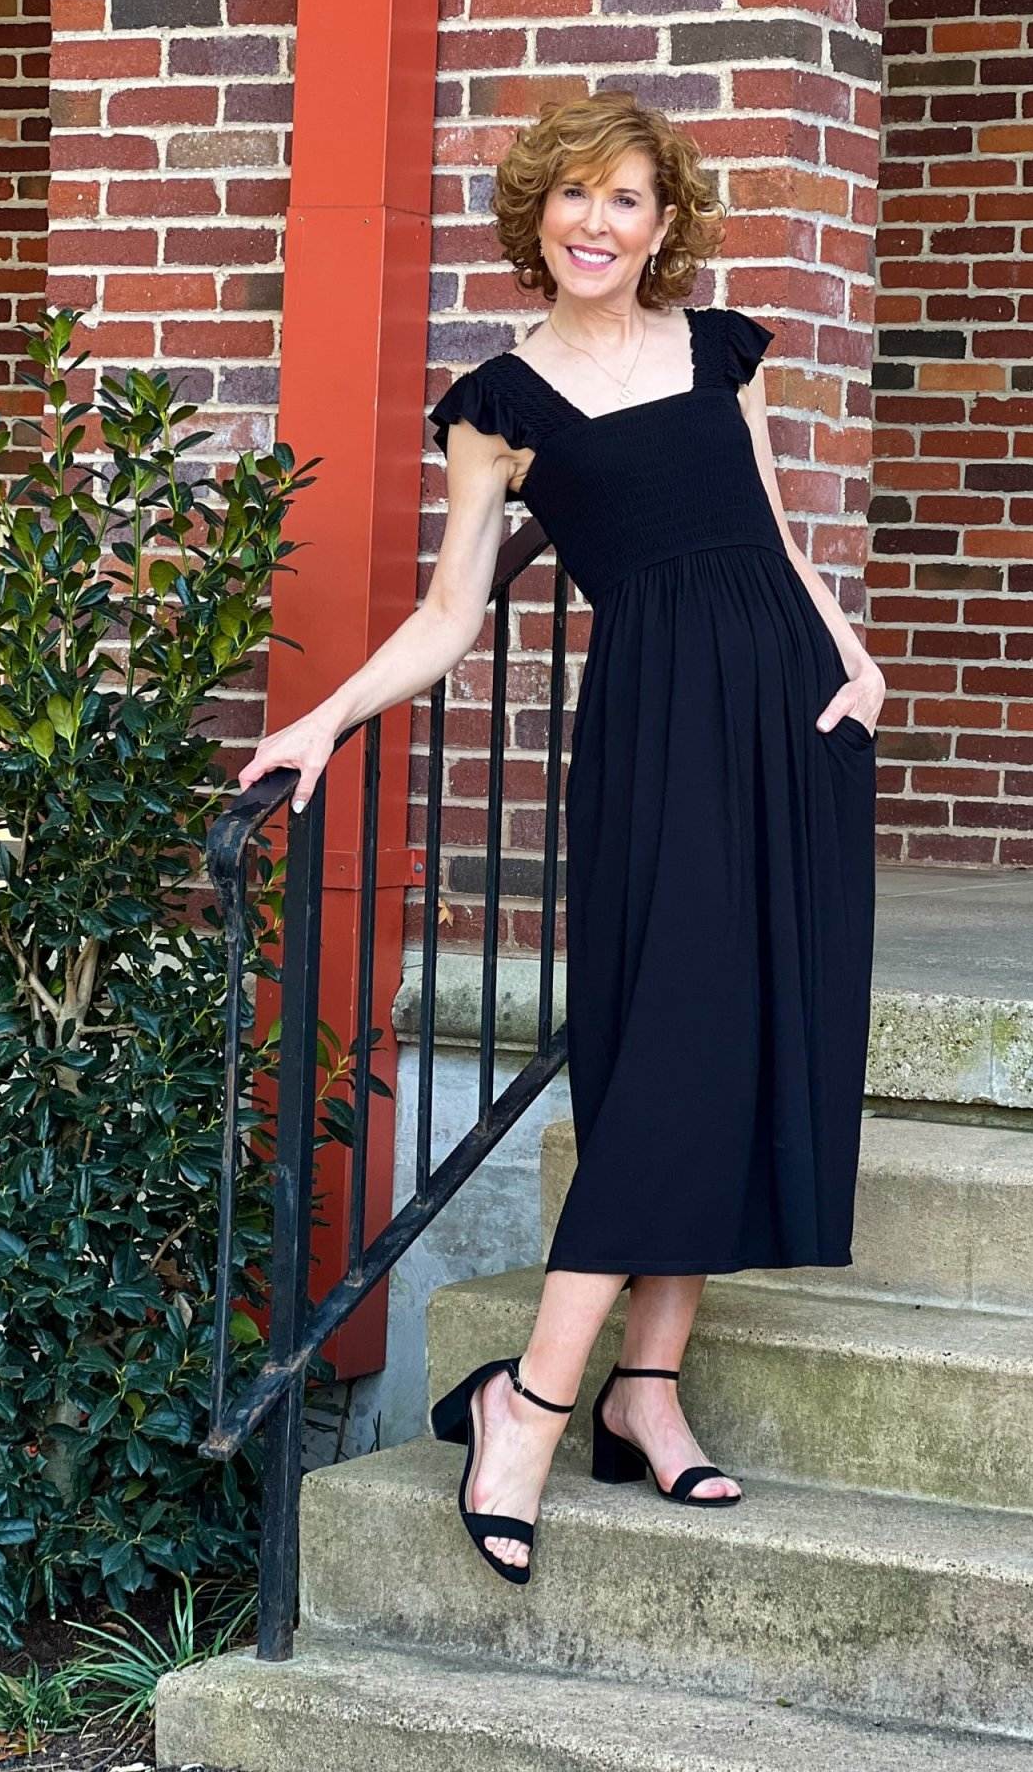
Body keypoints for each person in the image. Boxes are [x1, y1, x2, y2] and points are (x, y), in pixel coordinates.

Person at [237, 89, 882, 1587]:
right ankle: (522, 1401)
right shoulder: (500, 408)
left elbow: (775, 533)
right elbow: (453, 615)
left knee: (752, 1046)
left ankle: (643, 1396)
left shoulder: (721, 351)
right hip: (660, 736)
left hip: (796, 722)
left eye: (629, 202)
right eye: (574, 196)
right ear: (538, 213)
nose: (598, 224)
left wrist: (850, 656)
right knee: (665, 1056)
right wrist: (323, 721)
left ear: (666, 227)